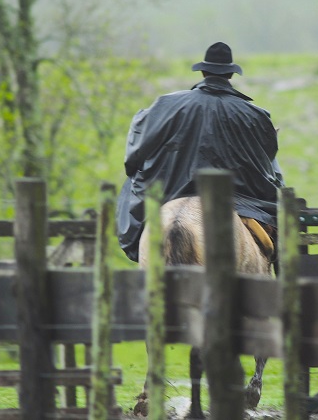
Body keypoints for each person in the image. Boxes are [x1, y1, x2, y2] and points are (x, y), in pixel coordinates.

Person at [116, 41, 285, 263]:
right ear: (230, 75)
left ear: (203, 72)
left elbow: (135, 154)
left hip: (171, 192)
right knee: (278, 228)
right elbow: (268, 167)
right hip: (240, 200)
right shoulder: (255, 116)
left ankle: (135, 245)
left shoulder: (165, 105)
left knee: (132, 182)